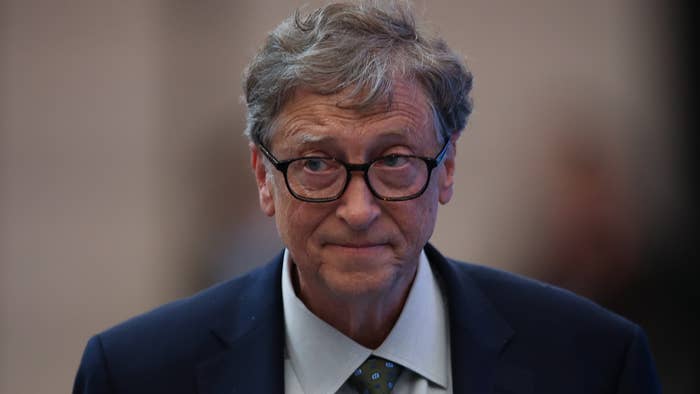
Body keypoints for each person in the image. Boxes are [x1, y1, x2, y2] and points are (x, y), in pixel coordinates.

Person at [73, 1, 661, 393]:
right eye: (317, 164)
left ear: (447, 166)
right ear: (263, 176)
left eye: (396, 161)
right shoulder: (134, 375)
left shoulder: (595, 363)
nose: (358, 210)